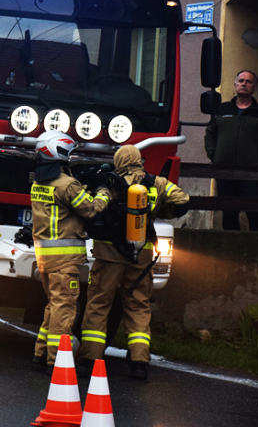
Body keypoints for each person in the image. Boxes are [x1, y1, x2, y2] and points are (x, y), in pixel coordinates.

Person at [78, 145, 189, 380]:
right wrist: (158, 210)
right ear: (139, 160)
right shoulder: (156, 182)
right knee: (138, 306)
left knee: (99, 303)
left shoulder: (110, 181)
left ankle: (90, 358)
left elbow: (94, 209)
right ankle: (139, 362)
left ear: (119, 160)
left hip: (109, 254)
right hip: (142, 255)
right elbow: (182, 201)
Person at [30, 131, 109, 375]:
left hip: (45, 257)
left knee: (53, 306)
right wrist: (104, 192)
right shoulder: (67, 185)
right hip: (65, 260)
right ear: (60, 153)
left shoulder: (38, 183)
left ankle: (40, 354)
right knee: (64, 309)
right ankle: (58, 362)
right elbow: (92, 210)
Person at [204, 70, 258, 231]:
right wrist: (214, 154)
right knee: (229, 213)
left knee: (255, 212)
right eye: (241, 81)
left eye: (249, 81)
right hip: (224, 170)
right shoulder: (222, 109)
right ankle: (230, 249)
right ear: (235, 85)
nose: (244, 84)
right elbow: (210, 134)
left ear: (255, 88)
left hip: (252, 172)